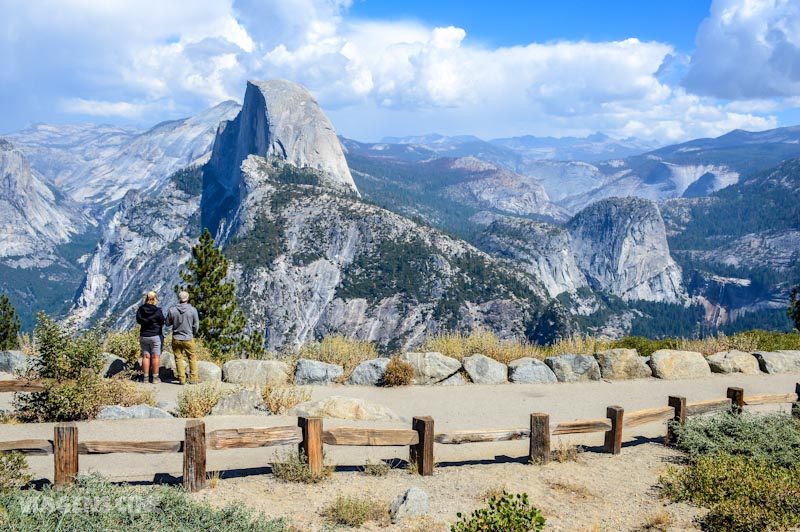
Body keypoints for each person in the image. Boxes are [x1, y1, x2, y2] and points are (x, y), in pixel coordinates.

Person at [166, 291, 200, 385]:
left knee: (178, 358)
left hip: (176, 338)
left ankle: (181, 379)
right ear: (188, 298)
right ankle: (193, 379)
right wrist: (193, 333)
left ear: (179, 298)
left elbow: (167, 323)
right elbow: (196, 325)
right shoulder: (193, 310)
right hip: (188, 338)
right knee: (192, 358)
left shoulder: (172, 310)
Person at [136, 291, 165, 384]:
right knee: (155, 356)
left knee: (146, 356)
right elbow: (162, 321)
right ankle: (155, 377)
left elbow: (138, 320)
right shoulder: (157, 311)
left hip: (144, 335)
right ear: (155, 299)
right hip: (155, 335)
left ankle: (145, 377)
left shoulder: (141, 309)